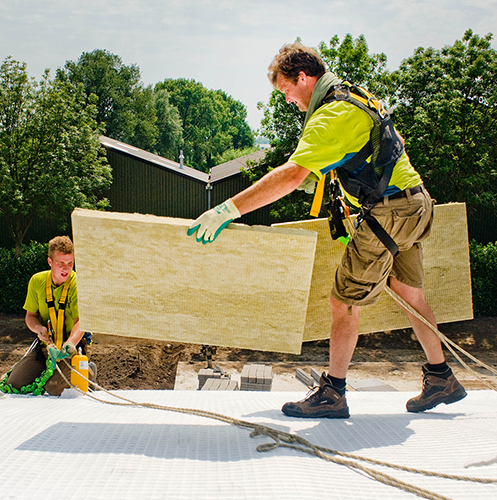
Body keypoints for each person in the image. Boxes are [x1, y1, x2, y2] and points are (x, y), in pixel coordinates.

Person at [187, 43, 467, 418]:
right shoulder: (354, 97)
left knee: (343, 301)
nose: (289, 101)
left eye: (286, 91)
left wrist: (228, 208)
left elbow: (292, 174)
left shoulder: (330, 115)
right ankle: (441, 377)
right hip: (414, 205)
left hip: (389, 212)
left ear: (303, 78)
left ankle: (332, 393)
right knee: (409, 292)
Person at [0, 236, 94, 396]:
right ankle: (50, 369)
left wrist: (70, 343)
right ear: (50, 262)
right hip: (46, 345)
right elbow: (30, 316)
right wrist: (38, 329)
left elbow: (83, 321)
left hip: (72, 346)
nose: (66, 269)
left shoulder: (78, 284)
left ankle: (89, 370)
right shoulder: (37, 281)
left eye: (70, 263)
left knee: (54, 389)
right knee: (14, 384)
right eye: (61, 263)